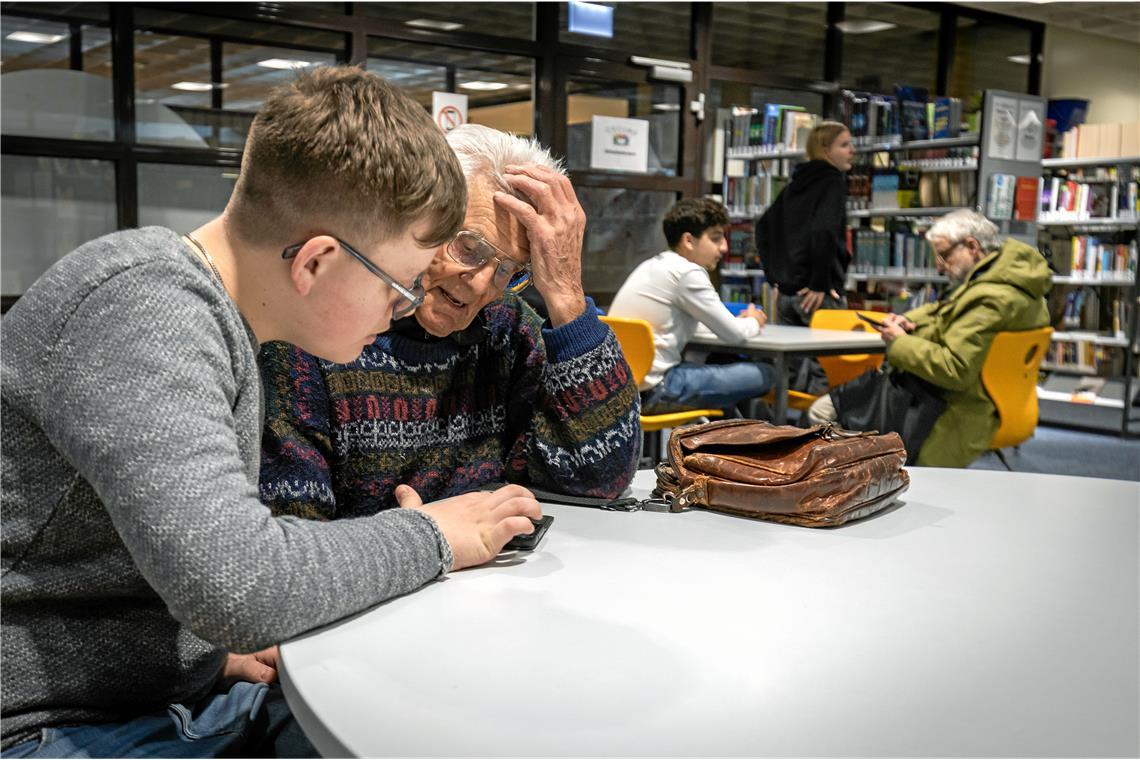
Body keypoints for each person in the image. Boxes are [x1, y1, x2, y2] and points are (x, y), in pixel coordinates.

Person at [0, 67, 544, 758]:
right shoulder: (146, 310)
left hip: (157, 694)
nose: (404, 308)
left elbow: (194, 569)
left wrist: (202, 652)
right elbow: (242, 585)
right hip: (43, 728)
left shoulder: (218, 320)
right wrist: (431, 536)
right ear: (315, 262)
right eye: (398, 284)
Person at [259, 124, 640, 518]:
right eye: (469, 247)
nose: (479, 285)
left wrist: (565, 295)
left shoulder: (505, 329)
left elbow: (599, 479)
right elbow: (291, 536)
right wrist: (431, 540)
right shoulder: (311, 338)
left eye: (508, 269)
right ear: (420, 218)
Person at [807, 209, 1052, 468]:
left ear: (972, 246)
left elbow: (954, 368)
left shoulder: (990, 299)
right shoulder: (1010, 285)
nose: (939, 265)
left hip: (951, 410)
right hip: (985, 401)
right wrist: (914, 321)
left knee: (824, 413)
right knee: (838, 404)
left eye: (944, 254)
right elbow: (952, 313)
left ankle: (852, 489)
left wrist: (900, 342)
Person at [608, 197, 771, 416]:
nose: (724, 247)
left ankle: (734, 436)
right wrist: (754, 320)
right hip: (658, 388)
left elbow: (698, 327)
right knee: (767, 374)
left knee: (723, 362)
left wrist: (736, 324)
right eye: (716, 238)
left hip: (623, 388)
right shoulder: (687, 273)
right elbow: (736, 336)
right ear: (688, 241)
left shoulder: (654, 264)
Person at [754, 121, 854, 393]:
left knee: (789, 376)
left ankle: (786, 431)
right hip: (818, 296)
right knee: (828, 373)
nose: (852, 151)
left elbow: (763, 227)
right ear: (825, 149)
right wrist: (821, 282)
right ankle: (819, 434)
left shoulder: (795, 184)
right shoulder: (833, 181)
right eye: (844, 145)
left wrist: (776, 277)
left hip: (788, 294)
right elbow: (824, 231)